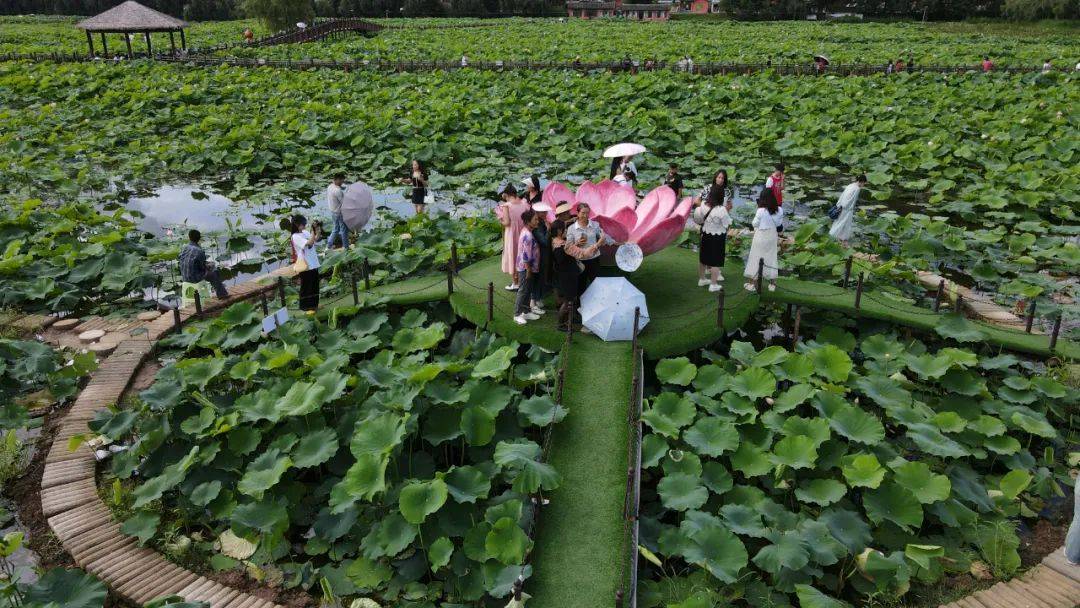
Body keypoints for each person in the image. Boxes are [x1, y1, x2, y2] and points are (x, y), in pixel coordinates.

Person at [550, 219, 601, 330]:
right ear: (559, 231)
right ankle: (560, 324)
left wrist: (575, 245)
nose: (567, 231)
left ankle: (568, 321)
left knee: (570, 299)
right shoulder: (563, 245)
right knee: (569, 300)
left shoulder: (555, 241)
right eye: (565, 228)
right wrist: (597, 244)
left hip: (565, 275)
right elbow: (582, 254)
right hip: (568, 276)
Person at [693, 170, 733, 292]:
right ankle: (713, 284)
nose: (720, 179)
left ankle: (702, 279)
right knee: (716, 259)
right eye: (719, 177)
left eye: (722, 178)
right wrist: (724, 212)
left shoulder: (704, 205)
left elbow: (698, 215)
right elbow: (727, 223)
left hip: (705, 233)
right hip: (717, 236)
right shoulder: (721, 210)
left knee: (703, 257)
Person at [566, 202, 614, 294]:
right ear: (578, 213)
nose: (585, 215)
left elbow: (603, 236)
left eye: (587, 213)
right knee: (581, 285)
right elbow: (568, 246)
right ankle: (580, 306)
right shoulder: (571, 228)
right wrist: (576, 243)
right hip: (580, 261)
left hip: (594, 259)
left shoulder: (595, 225)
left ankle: (597, 305)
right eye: (583, 213)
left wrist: (614, 242)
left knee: (596, 284)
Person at [744, 188, 784, 293]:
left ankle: (753, 284)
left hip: (760, 236)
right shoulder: (779, 210)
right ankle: (772, 284)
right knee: (772, 258)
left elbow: (754, 224)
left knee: (756, 258)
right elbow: (779, 224)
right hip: (772, 236)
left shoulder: (761, 211)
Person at [495, 184, 531, 291]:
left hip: (512, 233)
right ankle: (523, 280)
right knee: (522, 254)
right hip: (523, 231)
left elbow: (506, 222)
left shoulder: (506, 206)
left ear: (506, 194)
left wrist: (499, 218)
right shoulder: (524, 203)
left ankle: (516, 282)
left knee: (513, 254)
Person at [178, 229, 229, 299]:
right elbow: (202, 268)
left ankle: (216, 292)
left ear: (189, 237)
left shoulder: (184, 247)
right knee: (214, 273)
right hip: (194, 278)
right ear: (199, 239)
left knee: (209, 266)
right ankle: (222, 295)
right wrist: (210, 266)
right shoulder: (199, 251)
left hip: (184, 276)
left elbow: (180, 259)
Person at [513, 210, 542, 325]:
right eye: (535, 219)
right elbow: (526, 255)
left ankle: (525, 311)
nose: (537, 221)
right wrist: (528, 270)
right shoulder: (528, 235)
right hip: (526, 268)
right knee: (523, 291)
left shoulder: (527, 231)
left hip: (529, 267)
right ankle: (516, 314)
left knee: (528, 290)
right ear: (528, 221)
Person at [289, 215, 321, 312]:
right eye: (303, 224)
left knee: (315, 285)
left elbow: (315, 239)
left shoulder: (305, 232)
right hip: (305, 265)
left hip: (313, 263)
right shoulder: (295, 236)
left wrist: (317, 230)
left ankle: (314, 305)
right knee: (306, 287)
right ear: (296, 224)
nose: (304, 225)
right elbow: (310, 243)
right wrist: (312, 231)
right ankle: (305, 307)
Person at [828, 174, 867, 246]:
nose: (864, 185)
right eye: (864, 183)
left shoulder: (850, 185)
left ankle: (841, 239)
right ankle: (834, 237)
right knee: (844, 224)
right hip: (847, 209)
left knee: (839, 222)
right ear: (861, 181)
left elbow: (843, 195)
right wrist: (850, 208)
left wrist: (839, 205)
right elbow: (852, 201)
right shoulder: (857, 189)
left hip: (841, 207)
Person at [531, 201, 551, 315]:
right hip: (539, 255)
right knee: (537, 277)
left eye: (546, 211)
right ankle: (533, 303)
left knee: (542, 277)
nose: (546, 213)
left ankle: (537, 299)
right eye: (543, 212)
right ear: (538, 213)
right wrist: (548, 230)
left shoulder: (542, 221)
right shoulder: (538, 225)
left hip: (544, 255)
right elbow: (543, 241)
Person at [325, 173, 348, 252]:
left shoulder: (330, 186)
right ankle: (346, 247)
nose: (342, 182)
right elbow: (344, 203)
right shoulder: (338, 191)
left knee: (335, 229)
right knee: (344, 229)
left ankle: (328, 246)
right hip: (339, 213)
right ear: (337, 179)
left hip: (332, 211)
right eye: (341, 180)